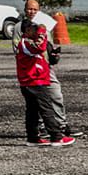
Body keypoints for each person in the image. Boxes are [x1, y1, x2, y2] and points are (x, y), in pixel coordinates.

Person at [16, 19, 72, 147]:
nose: (37, 32)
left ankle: (33, 138)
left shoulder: (28, 42)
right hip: (35, 81)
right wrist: (42, 32)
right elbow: (39, 47)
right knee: (46, 109)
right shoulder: (25, 43)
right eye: (33, 29)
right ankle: (57, 137)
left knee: (33, 111)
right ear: (27, 30)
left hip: (32, 81)